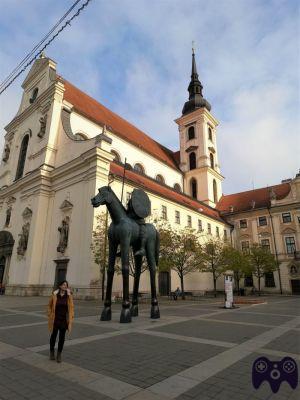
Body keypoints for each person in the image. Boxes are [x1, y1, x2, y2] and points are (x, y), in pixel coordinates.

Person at [47, 280, 74, 363]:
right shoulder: (55, 295)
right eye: (63, 285)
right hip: (55, 319)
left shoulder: (69, 296)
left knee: (62, 338)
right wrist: (49, 314)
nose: (65, 286)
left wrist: (71, 316)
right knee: (53, 336)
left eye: (66, 285)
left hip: (63, 320)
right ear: (60, 286)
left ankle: (59, 354)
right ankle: (52, 352)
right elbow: (49, 305)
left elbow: (71, 307)